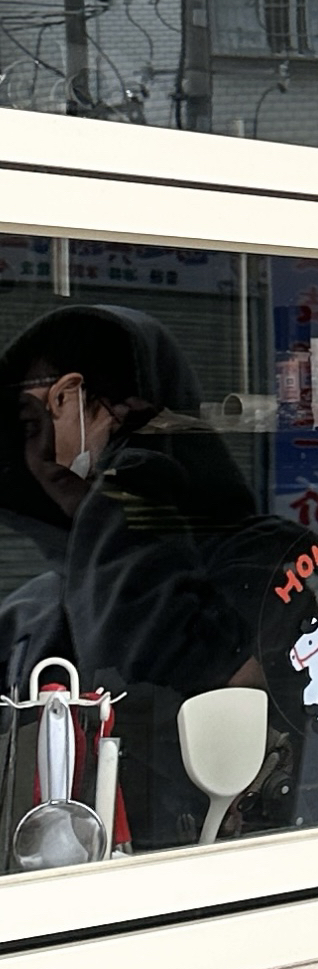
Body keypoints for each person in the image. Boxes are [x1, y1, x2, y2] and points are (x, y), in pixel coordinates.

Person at [0, 305, 292, 845]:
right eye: (25, 430)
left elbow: (160, 670)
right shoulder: (34, 607)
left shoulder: (247, 552)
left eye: (42, 423)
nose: (38, 456)